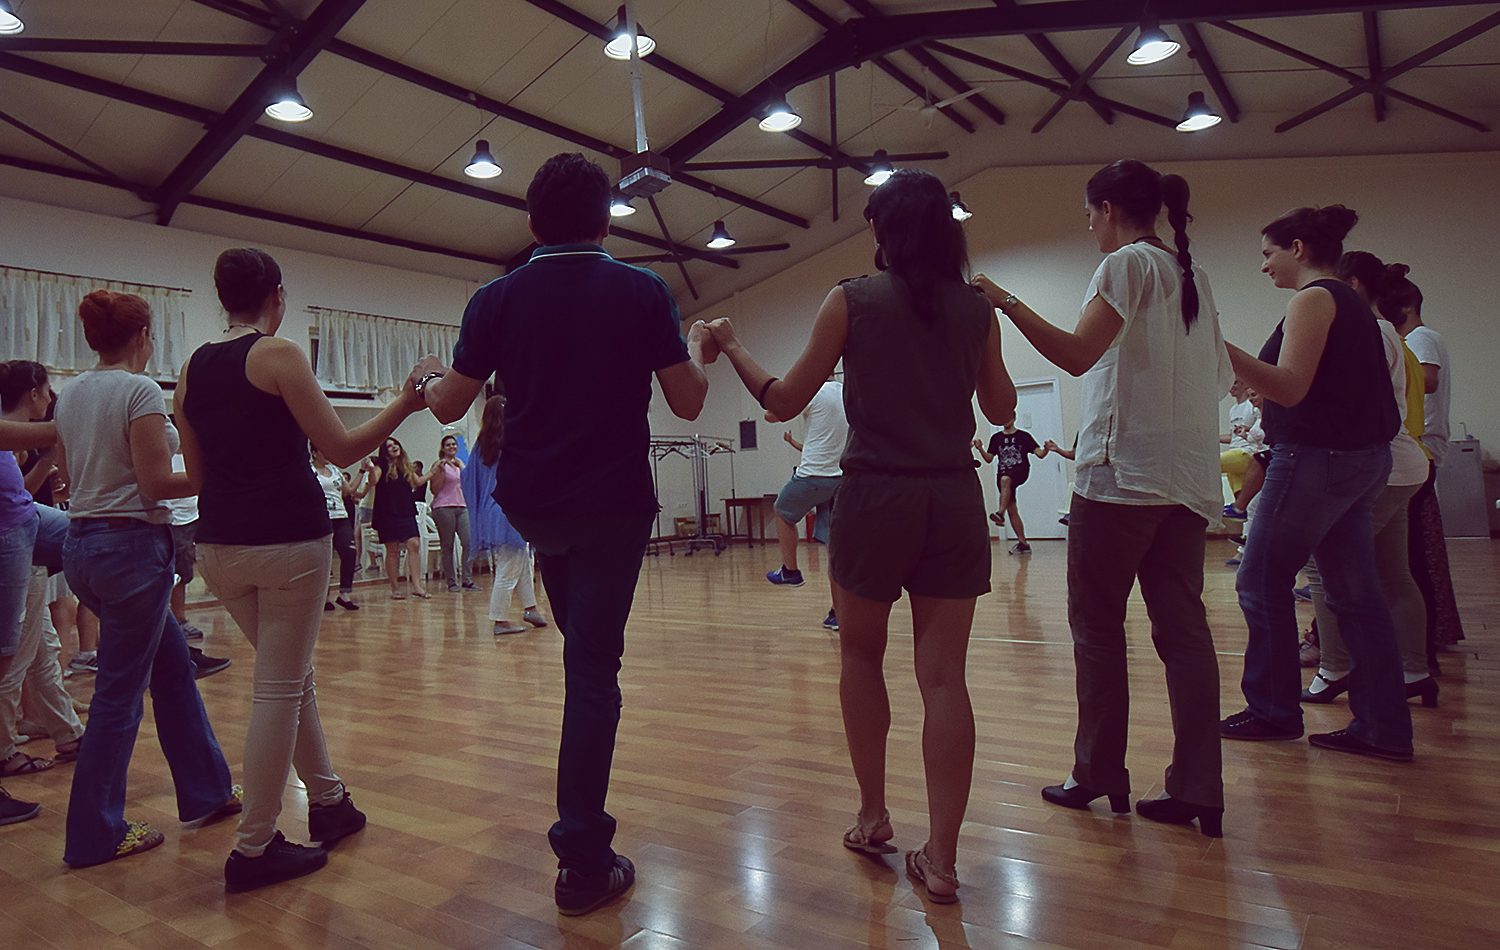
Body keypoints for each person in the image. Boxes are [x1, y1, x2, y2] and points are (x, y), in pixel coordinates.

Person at [414, 153, 712, 916]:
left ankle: (583, 834)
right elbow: (686, 403)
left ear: (531, 222)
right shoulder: (643, 291)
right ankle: (582, 856)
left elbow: (449, 405)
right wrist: (701, 355)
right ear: (609, 217)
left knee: (585, 655)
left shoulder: (495, 299)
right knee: (593, 671)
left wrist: (421, 383)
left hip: (537, 506)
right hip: (612, 504)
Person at [710, 169, 1017, 903]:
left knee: (860, 655)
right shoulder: (977, 309)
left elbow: (783, 400)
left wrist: (731, 346)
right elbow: (1003, 406)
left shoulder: (849, 299)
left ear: (884, 231)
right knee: (945, 679)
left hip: (875, 496)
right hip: (951, 497)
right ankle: (940, 861)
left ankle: (874, 816)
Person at [974, 159, 1230, 838]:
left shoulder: (1125, 265)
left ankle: (1097, 773)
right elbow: (1221, 378)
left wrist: (1004, 302)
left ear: (1109, 208)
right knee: (1185, 634)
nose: (1089, 228)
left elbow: (1077, 355)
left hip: (1121, 480)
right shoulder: (1192, 274)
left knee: (1097, 632)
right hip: (1186, 481)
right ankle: (1201, 786)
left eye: (1089, 215)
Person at [178, 247, 423, 891]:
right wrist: (403, 403)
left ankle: (330, 800)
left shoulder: (191, 370)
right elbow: (338, 447)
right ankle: (254, 848)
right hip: (286, 543)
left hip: (219, 547)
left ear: (221, 297)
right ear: (276, 297)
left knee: (291, 676)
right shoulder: (278, 354)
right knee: (278, 688)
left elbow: (197, 476)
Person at [50, 290, 239, 867]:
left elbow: (65, 476)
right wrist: (214, 471)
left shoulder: (73, 393)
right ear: (142, 337)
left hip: (83, 545)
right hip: (130, 551)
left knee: (173, 667)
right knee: (118, 696)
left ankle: (207, 790)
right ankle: (93, 834)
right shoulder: (139, 392)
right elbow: (157, 484)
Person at [1219, 205, 1412, 761]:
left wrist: (1220, 344)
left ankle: (1274, 711)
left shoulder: (1314, 298)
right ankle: (1383, 726)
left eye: (1268, 254)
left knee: (1258, 580)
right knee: (1355, 594)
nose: (1264, 267)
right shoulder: (1348, 303)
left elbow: (1290, 387)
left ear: (1298, 248)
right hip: (1358, 459)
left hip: (1317, 459)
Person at [1296, 252, 1435, 707]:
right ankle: (1414, 671)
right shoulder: (1388, 331)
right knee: (1394, 573)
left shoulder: (1366, 330)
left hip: (1383, 466)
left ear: (1351, 285)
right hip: (1404, 463)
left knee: (1324, 568)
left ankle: (1335, 668)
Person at [1, 362, 85, 782]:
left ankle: (68, 733)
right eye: (48, 391)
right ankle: (3, 749)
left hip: (26, 524)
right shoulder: (13, 431)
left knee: (42, 650)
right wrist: (73, 425)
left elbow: (25, 494)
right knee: (14, 653)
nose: (50, 399)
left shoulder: (21, 433)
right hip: (14, 538)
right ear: (33, 392)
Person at [1380, 268, 1464, 668]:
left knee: (1408, 559)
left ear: (1408, 305)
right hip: (1421, 451)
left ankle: (1418, 646)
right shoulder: (1415, 339)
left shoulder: (1419, 338)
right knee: (1417, 554)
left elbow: (1425, 380)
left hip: (1420, 449)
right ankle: (1426, 639)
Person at [764, 375, 847, 632]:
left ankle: (790, 570)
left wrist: (778, 391)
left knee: (782, 511)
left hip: (815, 475)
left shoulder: (813, 389)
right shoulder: (847, 393)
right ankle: (838, 614)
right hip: (843, 478)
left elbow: (772, 414)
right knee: (834, 550)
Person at [463, 396, 548, 635]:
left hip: (493, 510)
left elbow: (469, 477)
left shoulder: (482, 443)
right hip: (509, 511)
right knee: (510, 565)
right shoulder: (513, 440)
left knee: (522, 561)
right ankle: (499, 620)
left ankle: (531, 608)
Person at [165, 435, 232, 679]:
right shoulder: (166, 458)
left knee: (187, 572)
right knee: (176, 575)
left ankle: (178, 621)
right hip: (174, 521)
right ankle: (177, 620)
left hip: (194, 517)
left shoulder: (193, 455)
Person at [371, 437, 436, 599]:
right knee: (392, 550)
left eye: (395, 444)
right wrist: (370, 469)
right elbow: (374, 480)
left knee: (414, 544)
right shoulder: (382, 466)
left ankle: (416, 586)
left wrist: (433, 472)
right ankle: (395, 588)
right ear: (385, 452)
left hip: (405, 510)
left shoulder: (405, 466)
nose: (394, 447)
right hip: (387, 513)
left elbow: (417, 482)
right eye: (389, 446)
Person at [971, 423, 1049, 554]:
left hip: (1020, 471)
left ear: (1013, 418)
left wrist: (1046, 449)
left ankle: (1000, 513)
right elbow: (989, 459)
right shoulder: (996, 438)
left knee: (1006, 479)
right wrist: (980, 449)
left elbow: (1040, 454)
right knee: (1012, 509)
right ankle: (1023, 543)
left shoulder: (1024, 436)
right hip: (1002, 474)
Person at [312, 447, 360, 611]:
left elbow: (349, 491)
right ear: (315, 453)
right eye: (324, 451)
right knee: (324, 558)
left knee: (349, 552)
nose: (329, 455)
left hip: (341, 517)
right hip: (321, 518)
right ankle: (323, 596)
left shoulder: (335, 470)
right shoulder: (309, 470)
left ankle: (344, 594)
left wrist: (362, 472)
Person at [430, 434, 478, 593]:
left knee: (468, 542)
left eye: (454, 444)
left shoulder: (459, 464)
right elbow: (434, 489)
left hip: (462, 505)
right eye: (448, 445)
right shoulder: (438, 465)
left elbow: (468, 482)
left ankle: (467, 579)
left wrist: (462, 466)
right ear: (443, 448)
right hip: (443, 507)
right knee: (448, 545)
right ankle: (451, 582)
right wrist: (442, 471)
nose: (452, 447)